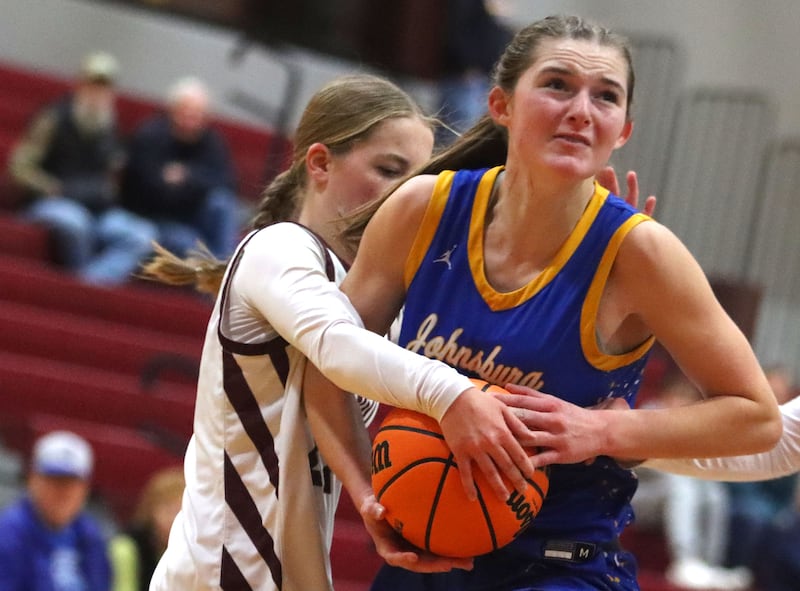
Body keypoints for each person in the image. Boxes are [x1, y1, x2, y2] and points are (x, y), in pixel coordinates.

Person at [299, 14, 781, 591]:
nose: (581, 109)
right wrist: (367, 492)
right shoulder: (422, 209)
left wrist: (602, 433)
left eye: (605, 97)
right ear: (500, 104)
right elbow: (325, 365)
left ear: (622, 130)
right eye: (557, 84)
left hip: (558, 568)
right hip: (425, 556)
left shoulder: (641, 254)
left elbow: (757, 417)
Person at [140, 73, 540, 591]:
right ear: (321, 163)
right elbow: (338, 346)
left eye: (416, 179)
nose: (403, 194)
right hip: (218, 574)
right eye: (388, 170)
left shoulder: (378, 302)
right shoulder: (278, 248)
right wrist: (451, 393)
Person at [8, 50, 157, 285]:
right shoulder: (54, 118)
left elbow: (112, 173)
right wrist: (48, 187)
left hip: (96, 207)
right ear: (80, 84)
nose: (98, 93)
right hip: (54, 201)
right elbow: (20, 166)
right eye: (93, 85)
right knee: (76, 224)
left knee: (142, 235)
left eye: (104, 87)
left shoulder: (111, 127)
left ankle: (88, 284)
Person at [632, 374, 751, 590]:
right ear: (665, 398)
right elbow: (646, 469)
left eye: (686, 402)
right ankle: (684, 561)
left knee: (715, 492)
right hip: (636, 497)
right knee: (680, 487)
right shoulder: (645, 417)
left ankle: (708, 565)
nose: (681, 406)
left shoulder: (688, 429)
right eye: (677, 399)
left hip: (672, 498)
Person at [122, 76, 241, 259]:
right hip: (154, 218)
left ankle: (226, 265)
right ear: (172, 110)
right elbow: (148, 191)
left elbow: (228, 184)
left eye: (198, 113)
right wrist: (194, 187)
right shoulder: (151, 136)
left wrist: (187, 177)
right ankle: (219, 274)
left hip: (196, 216)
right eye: (186, 111)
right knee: (190, 245)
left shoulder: (212, 142)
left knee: (221, 203)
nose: (191, 118)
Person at [0, 430, 112, 591]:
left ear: (85, 488)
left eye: (71, 483)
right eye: (54, 481)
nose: (63, 492)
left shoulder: (90, 535)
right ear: (33, 480)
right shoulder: (8, 535)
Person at [437, 0, 514, 145]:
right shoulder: (468, 5)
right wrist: (467, 64)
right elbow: (457, 31)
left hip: (487, 76)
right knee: (456, 130)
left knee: (475, 131)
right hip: (465, 77)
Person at [109, 466, 184, 591]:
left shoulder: (195, 550)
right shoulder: (126, 547)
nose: (173, 519)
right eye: (168, 510)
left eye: (179, 512)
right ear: (150, 511)